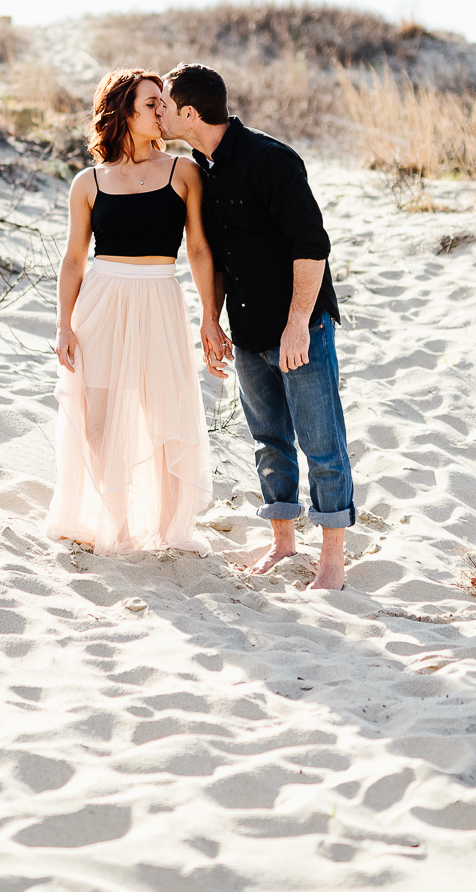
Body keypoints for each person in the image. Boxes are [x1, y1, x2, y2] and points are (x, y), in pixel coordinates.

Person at [158, 63, 354, 591]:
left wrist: (297, 325)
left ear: (190, 113)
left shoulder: (273, 160)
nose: (158, 114)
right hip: (246, 332)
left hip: (299, 329)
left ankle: (332, 561)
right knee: (269, 441)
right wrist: (213, 320)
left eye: (165, 107)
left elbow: (312, 245)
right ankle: (284, 543)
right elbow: (219, 259)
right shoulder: (200, 170)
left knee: (322, 441)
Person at [48, 68, 218, 556]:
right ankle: (115, 520)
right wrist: (64, 325)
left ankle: (168, 529)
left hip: (160, 298)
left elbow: (200, 250)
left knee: (164, 411)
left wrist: (210, 316)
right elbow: (74, 259)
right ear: (123, 110)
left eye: (162, 102)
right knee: (97, 417)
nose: (160, 110)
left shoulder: (182, 171)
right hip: (101, 301)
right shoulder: (88, 182)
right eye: (151, 103)